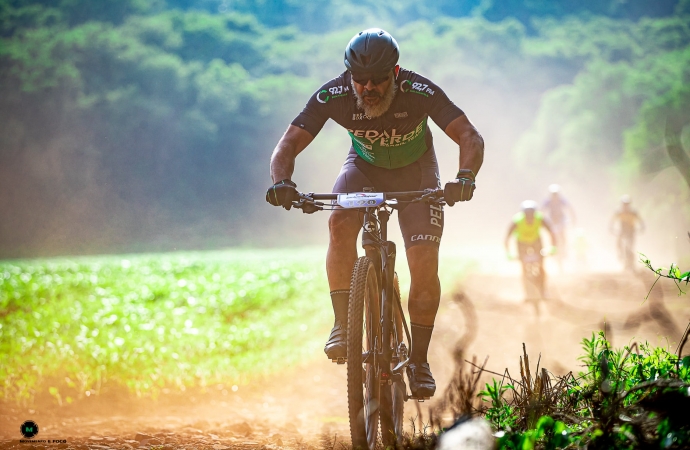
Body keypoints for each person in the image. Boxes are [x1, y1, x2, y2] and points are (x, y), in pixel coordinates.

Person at [265, 29, 484, 398]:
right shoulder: (333, 94)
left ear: (395, 73)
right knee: (338, 224)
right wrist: (282, 181)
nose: (368, 88)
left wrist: (464, 177)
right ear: (349, 76)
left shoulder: (419, 90)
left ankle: (417, 361)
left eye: (378, 80)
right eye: (360, 80)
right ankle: (343, 325)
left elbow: (470, 136)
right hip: (363, 168)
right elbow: (287, 144)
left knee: (424, 262)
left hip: (418, 173)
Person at [504, 201, 557, 299]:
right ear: (523, 214)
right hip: (521, 243)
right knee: (524, 268)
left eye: (531, 215)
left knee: (541, 266)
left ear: (535, 214)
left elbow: (551, 232)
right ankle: (526, 294)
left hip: (536, 242)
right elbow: (507, 237)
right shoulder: (517, 220)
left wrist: (553, 247)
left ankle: (543, 291)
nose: (529, 218)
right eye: (527, 215)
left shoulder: (540, 218)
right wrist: (508, 253)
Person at [541, 184, 576, 267]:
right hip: (552, 221)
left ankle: (564, 248)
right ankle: (553, 248)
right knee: (552, 235)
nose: (554, 196)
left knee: (562, 234)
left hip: (561, 220)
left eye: (556, 194)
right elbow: (541, 211)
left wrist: (573, 218)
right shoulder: (548, 202)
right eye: (553, 194)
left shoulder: (562, 200)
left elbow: (570, 208)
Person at [609, 195, 644, 270]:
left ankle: (630, 262)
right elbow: (612, 221)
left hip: (631, 231)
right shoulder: (618, 212)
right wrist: (611, 228)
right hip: (622, 230)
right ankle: (621, 255)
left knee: (629, 247)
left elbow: (640, 221)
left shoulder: (633, 212)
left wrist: (642, 227)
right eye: (624, 204)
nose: (626, 206)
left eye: (627, 204)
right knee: (618, 244)